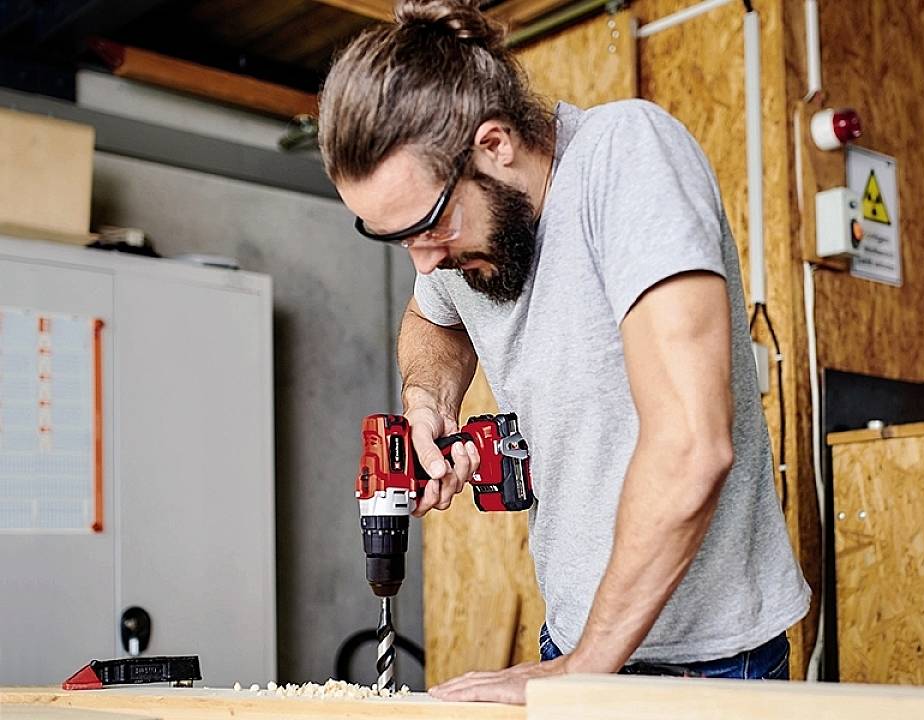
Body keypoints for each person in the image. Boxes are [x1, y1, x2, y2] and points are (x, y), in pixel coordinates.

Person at [319, 0, 810, 705]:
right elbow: (431, 322)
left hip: (705, 667)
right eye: (395, 238)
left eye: (430, 226)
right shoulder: (459, 245)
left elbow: (692, 448)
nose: (424, 263)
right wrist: (429, 402)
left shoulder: (626, 157)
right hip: (577, 643)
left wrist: (581, 669)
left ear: (494, 145)